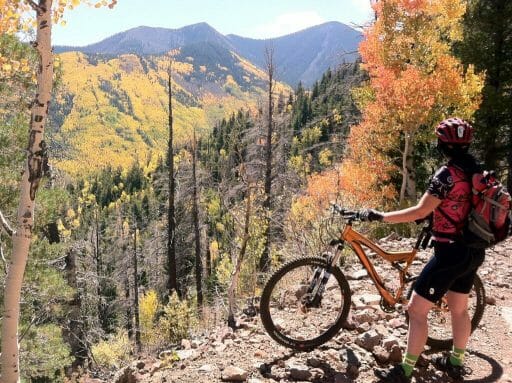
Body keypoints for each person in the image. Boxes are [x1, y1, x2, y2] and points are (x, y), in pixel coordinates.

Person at [360, 117, 485, 382]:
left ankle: (405, 370)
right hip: (474, 249)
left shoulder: (446, 175)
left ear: (443, 144)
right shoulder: (479, 172)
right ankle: (455, 361)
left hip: (450, 252)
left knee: (416, 311)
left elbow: (419, 210)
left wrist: (380, 216)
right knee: (459, 308)